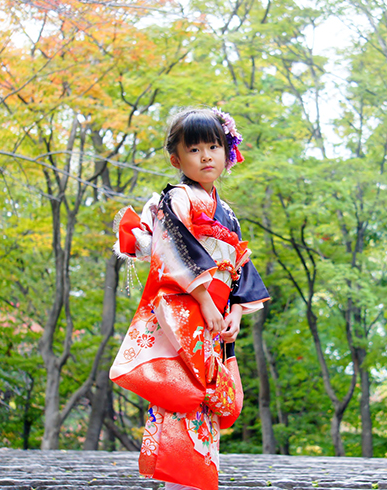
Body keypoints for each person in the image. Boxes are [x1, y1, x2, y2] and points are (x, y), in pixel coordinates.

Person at [109, 107, 269, 490]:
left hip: (213, 319)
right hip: (182, 312)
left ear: (227, 153)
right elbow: (173, 253)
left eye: (214, 146)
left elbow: (237, 266)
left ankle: (198, 481)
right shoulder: (177, 199)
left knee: (206, 405)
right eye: (194, 149)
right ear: (176, 159)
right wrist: (205, 300)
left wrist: (235, 313)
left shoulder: (227, 213)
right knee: (181, 393)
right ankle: (180, 484)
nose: (206, 156)